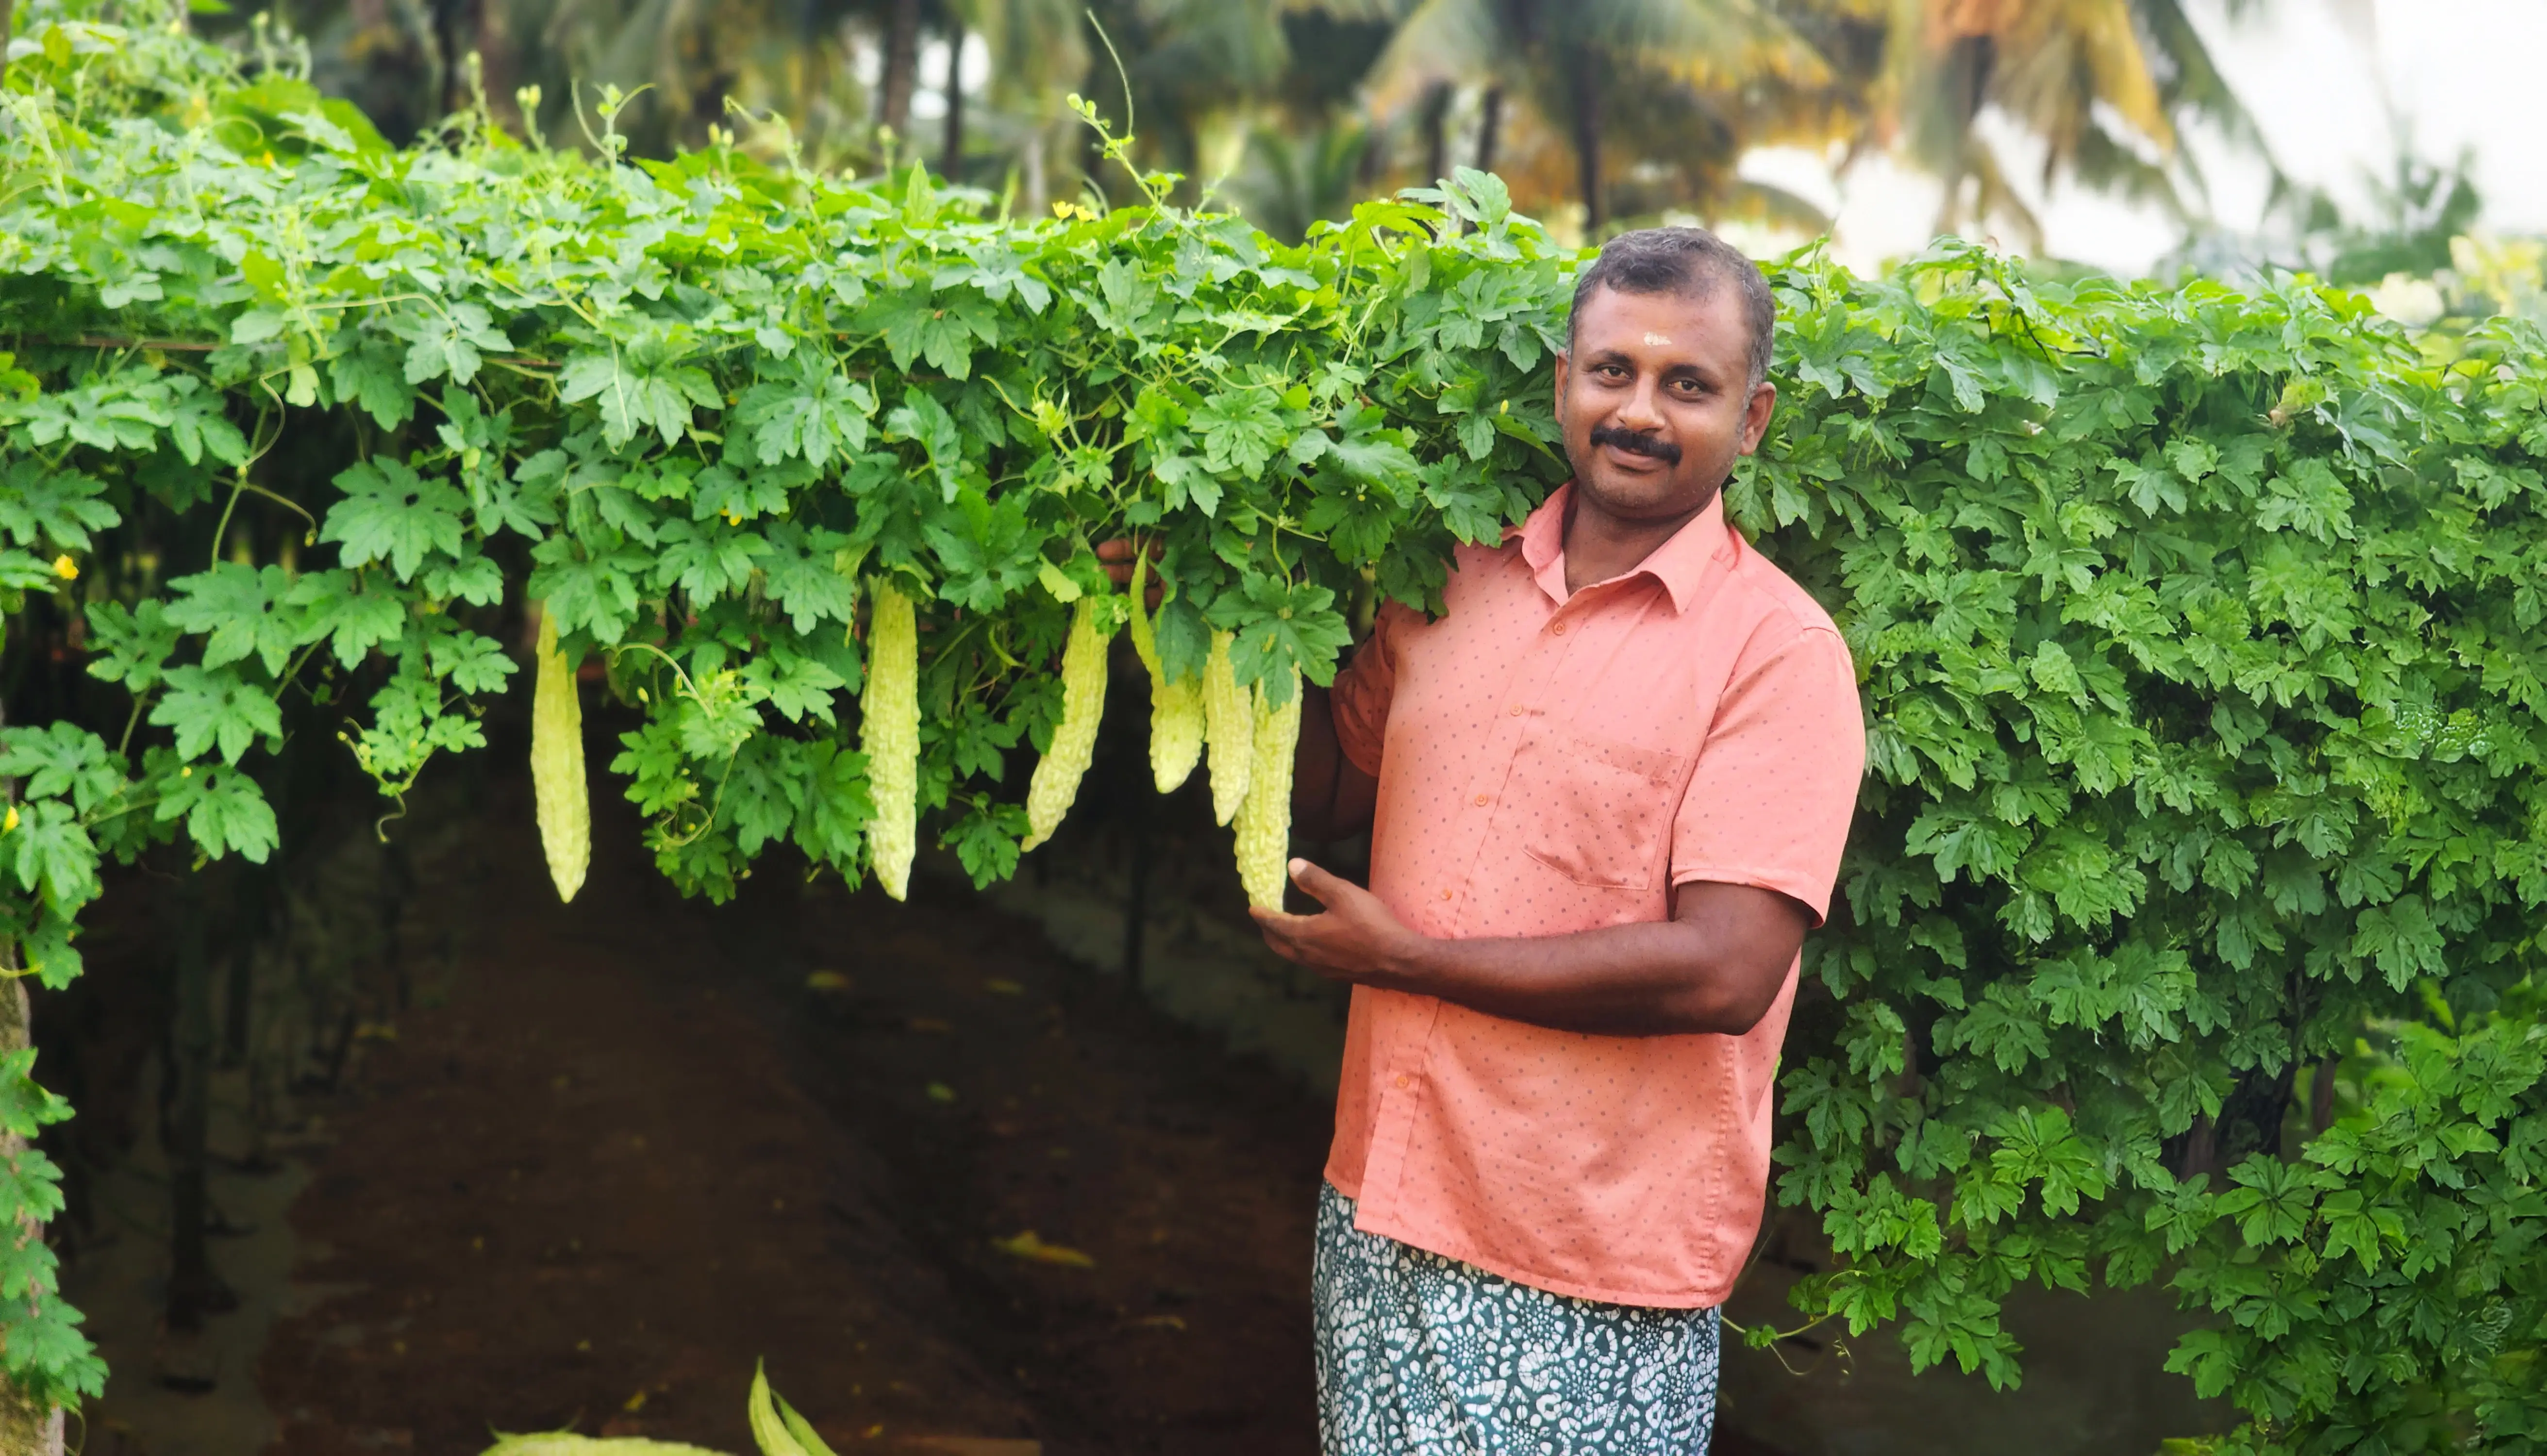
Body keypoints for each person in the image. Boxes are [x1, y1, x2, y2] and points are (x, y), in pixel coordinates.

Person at [1265, 226, 1863, 1454]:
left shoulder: (1779, 656)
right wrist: (1214, 611)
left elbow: (1725, 970)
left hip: (1588, 1265)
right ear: (1561, 382)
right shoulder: (1448, 579)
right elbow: (1333, 796)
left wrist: (1411, 962)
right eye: (1611, 371)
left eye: (1686, 385)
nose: (1638, 411)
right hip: (1377, 1201)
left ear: (1750, 422)